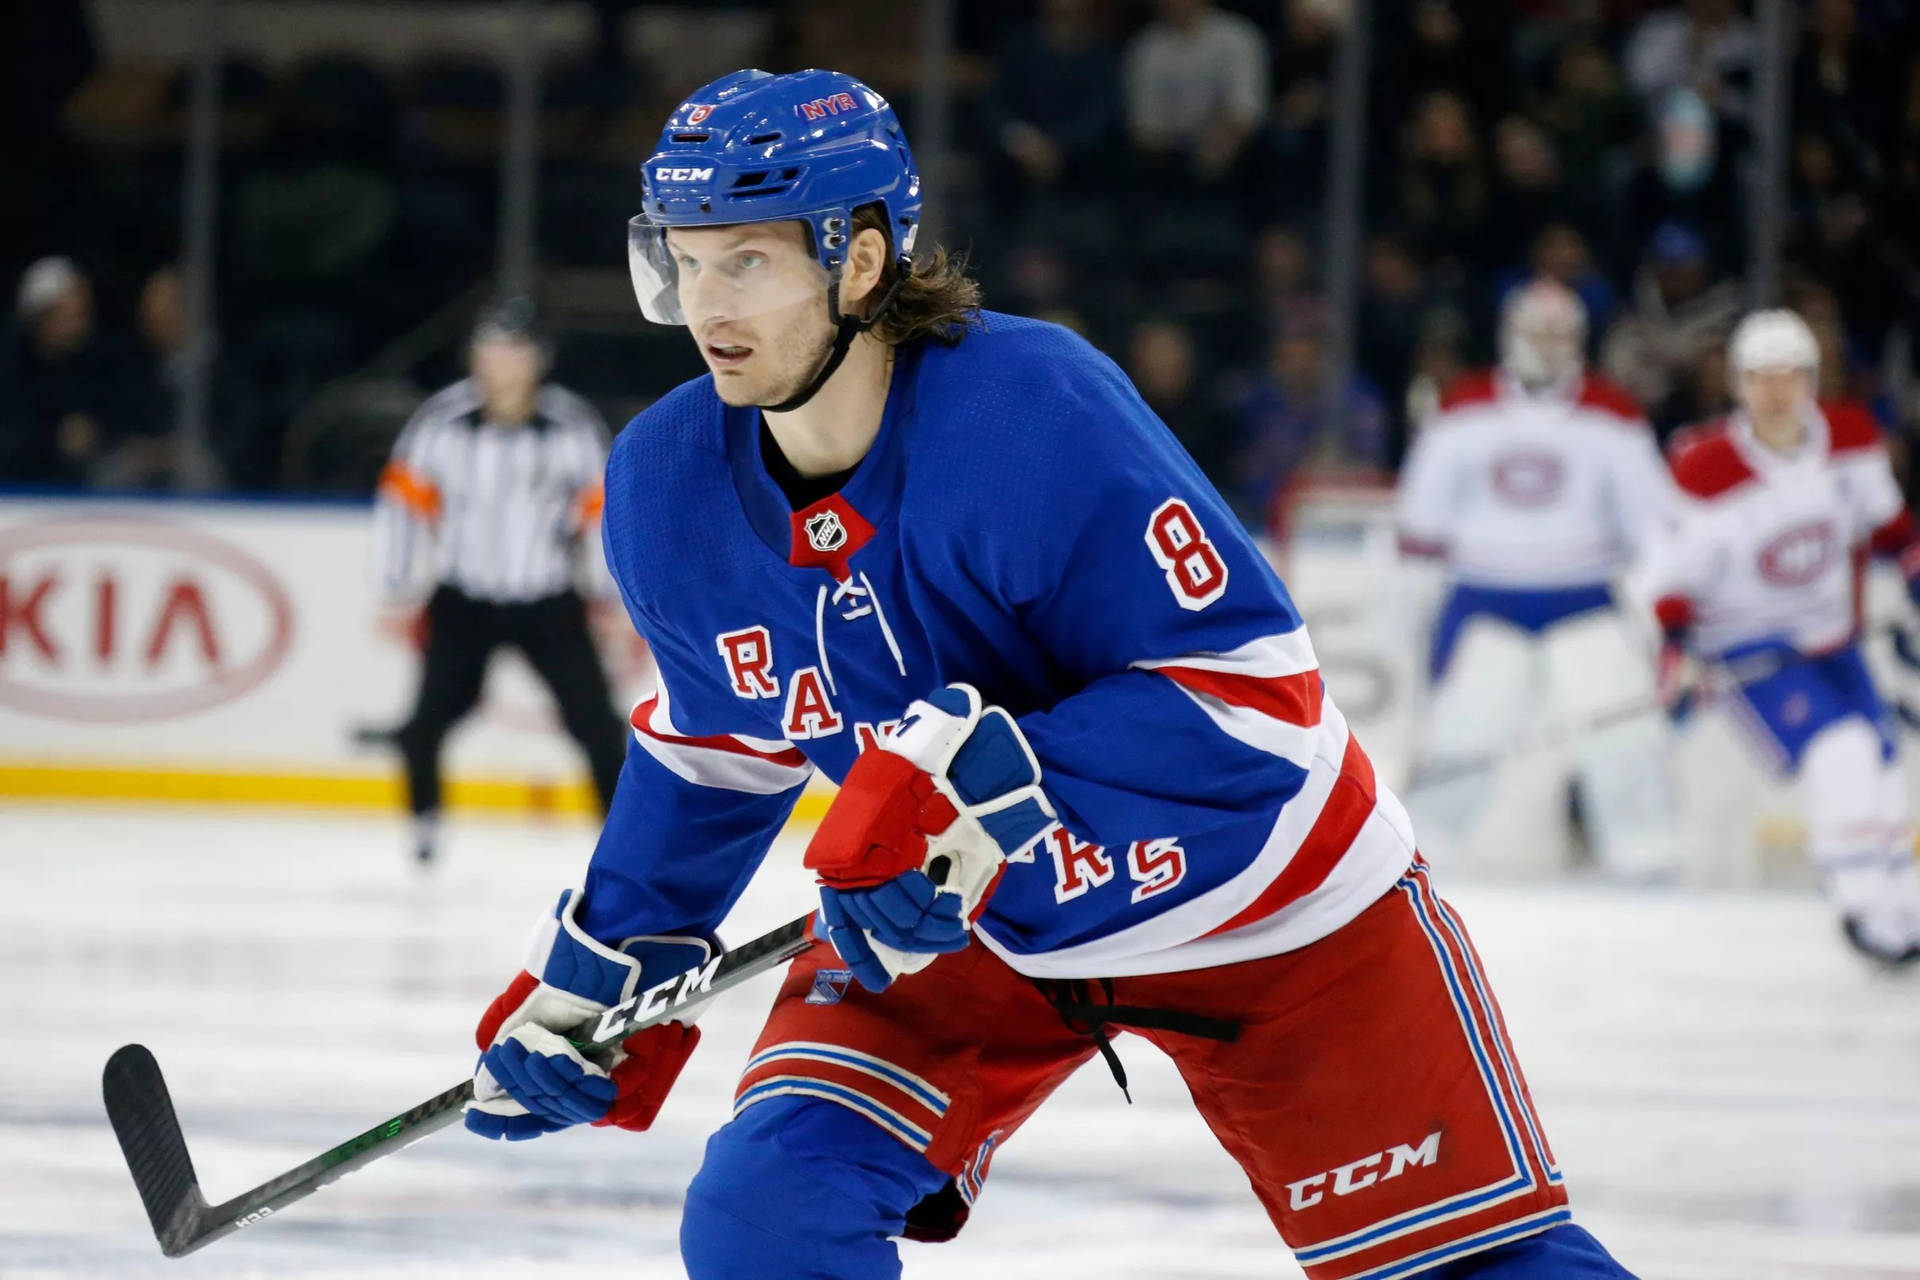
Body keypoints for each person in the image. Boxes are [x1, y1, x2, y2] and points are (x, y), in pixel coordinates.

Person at [459, 69, 1631, 1279]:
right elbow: (718, 747)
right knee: (765, 1217)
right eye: (684, 261)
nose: (706, 304)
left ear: (859, 261)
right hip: (967, 930)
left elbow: (1254, 701)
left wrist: (978, 789)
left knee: (1477, 1270)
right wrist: (601, 978)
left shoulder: (1028, 410)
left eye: (746, 260)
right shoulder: (665, 484)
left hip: (1270, 908)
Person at [1642, 309, 1920, 964]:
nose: (1776, 392)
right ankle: (1862, 909)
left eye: (1789, 376)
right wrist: (1675, 649)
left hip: (1833, 640)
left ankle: (1900, 901)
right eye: (1761, 378)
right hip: (1748, 651)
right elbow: (1667, 579)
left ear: (1810, 380)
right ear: (1739, 384)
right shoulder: (1705, 466)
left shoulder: (1851, 438)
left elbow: (1888, 531)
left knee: (1880, 763)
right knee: (1841, 753)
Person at [1395, 280, 1679, 880]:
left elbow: (1652, 525)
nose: (1549, 345)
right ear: (1510, 334)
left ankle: (1645, 856)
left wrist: (1659, 608)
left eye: (1562, 334)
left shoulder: (1613, 412)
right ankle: (1420, 858)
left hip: (1586, 594)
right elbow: (1420, 521)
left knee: (1623, 734)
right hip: (1482, 596)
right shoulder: (1461, 406)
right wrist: (1413, 604)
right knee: (1461, 740)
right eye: (1537, 332)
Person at [373, 299, 627, 864]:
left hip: (549, 600)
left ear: (538, 359)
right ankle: (425, 827)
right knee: (427, 721)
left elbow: (600, 515)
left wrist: (610, 596)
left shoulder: (571, 425)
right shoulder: (441, 422)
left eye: (515, 351)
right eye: (492, 349)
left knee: (597, 725)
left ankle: (618, 838)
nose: (503, 363)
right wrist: (395, 588)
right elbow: (401, 503)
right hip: (465, 599)